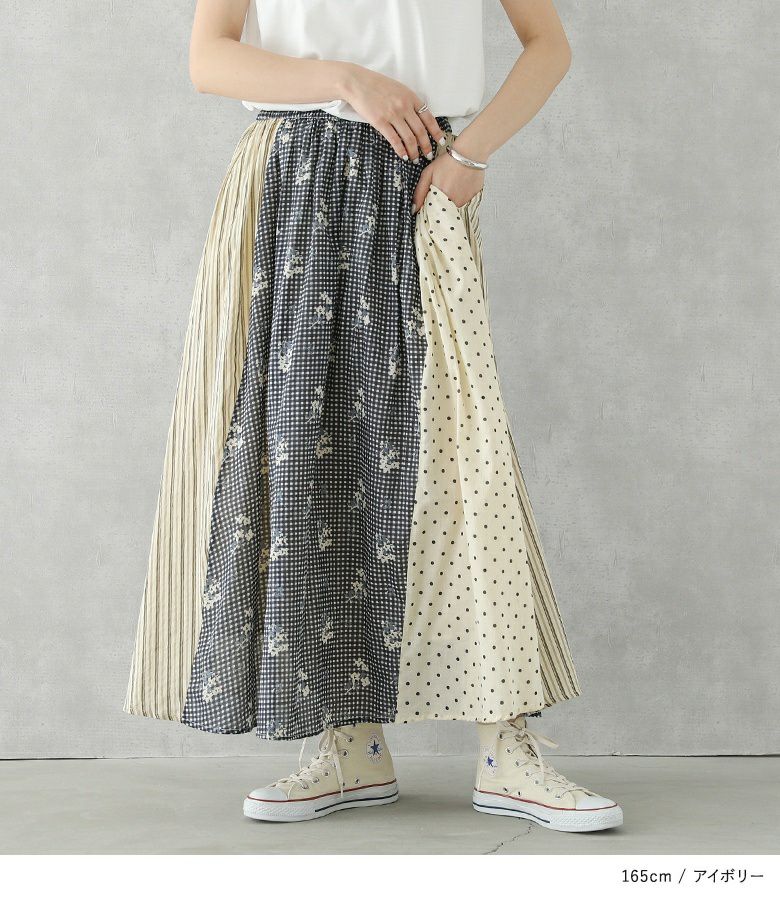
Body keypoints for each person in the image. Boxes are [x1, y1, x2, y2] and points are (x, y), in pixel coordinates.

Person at [124, 0, 623, 832]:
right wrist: (345, 80)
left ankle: (506, 750)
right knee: (304, 453)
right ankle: (348, 742)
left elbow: (548, 45)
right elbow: (209, 58)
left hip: (419, 176)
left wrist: (471, 153)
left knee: (463, 458)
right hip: (290, 177)